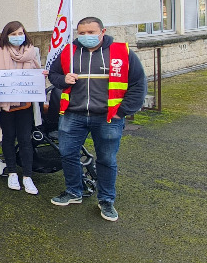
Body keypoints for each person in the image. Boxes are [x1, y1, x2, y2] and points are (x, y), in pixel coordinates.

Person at [48, 17, 146, 222]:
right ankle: (74, 191)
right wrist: (63, 80)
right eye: (82, 33)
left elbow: (138, 84)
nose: (86, 36)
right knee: (67, 154)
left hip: (107, 117)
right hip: (73, 114)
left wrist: (122, 111)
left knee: (107, 159)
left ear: (103, 31)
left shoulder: (122, 52)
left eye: (91, 32)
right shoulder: (69, 51)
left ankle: (106, 200)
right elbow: (54, 74)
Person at [0, 22, 45, 195]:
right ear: (6, 36)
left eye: (20, 33)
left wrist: (42, 75)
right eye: (13, 34)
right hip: (5, 105)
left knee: (25, 139)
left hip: (26, 105)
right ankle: (12, 172)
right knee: (8, 137)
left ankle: (27, 176)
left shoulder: (33, 51)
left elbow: (37, 74)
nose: (17, 37)